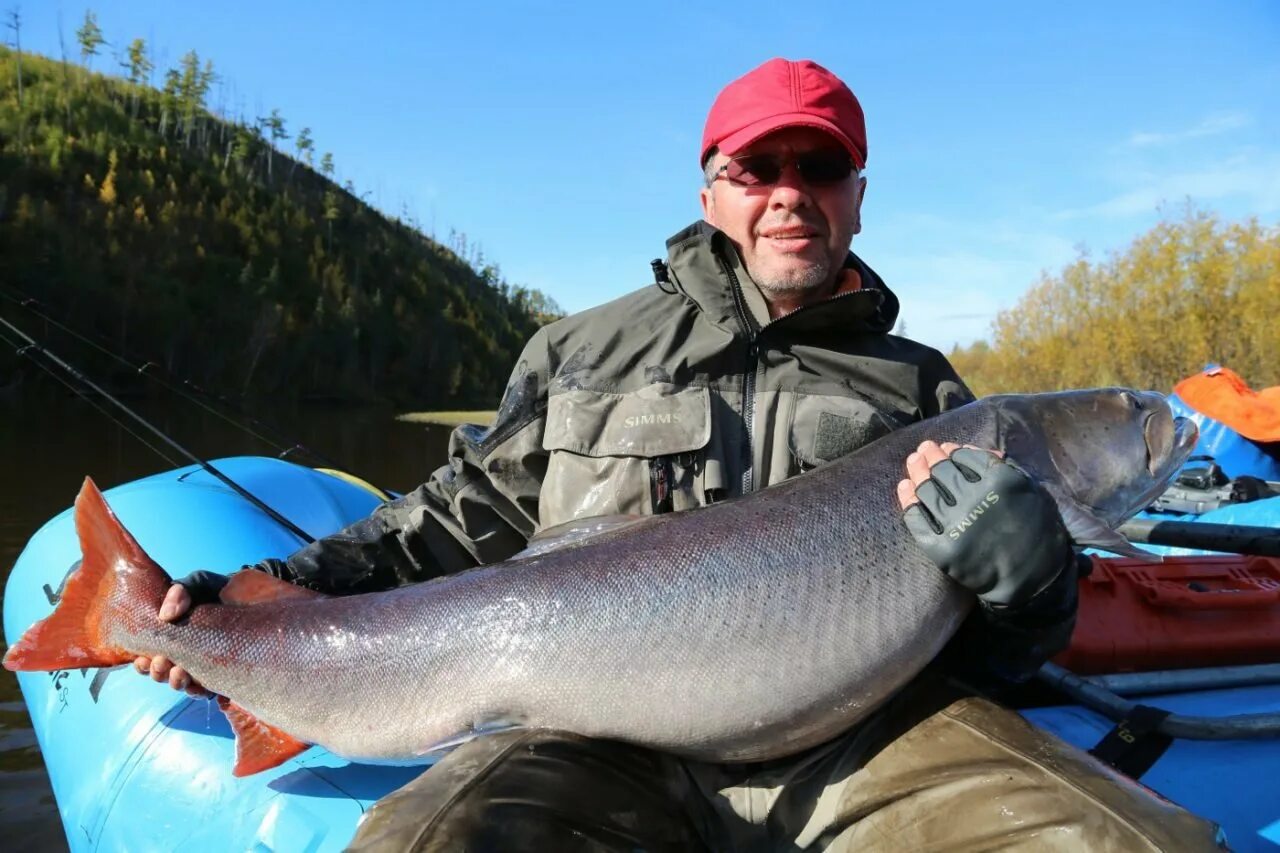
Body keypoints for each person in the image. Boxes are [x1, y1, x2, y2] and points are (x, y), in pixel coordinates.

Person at [137, 59, 1224, 851]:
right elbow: (452, 515)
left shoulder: (931, 393)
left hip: (862, 735)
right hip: (581, 735)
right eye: (758, 165)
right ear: (710, 192)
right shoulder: (578, 349)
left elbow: (994, 653)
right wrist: (271, 594)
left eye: (821, 163)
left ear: (854, 195)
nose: (788, 188)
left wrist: (1031, 587)